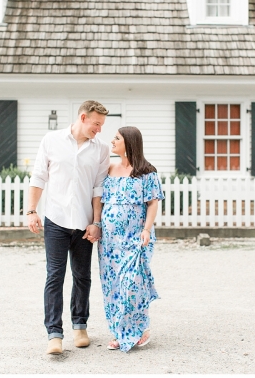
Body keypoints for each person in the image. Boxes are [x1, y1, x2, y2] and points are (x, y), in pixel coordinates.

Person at [26, 100, 110, 355]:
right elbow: (39, 176)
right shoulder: (51, 140)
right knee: (55, 276)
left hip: (84, 224)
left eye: (102, 125)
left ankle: (80, 326)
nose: (99, 129)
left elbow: (98, 190)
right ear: (83, 118)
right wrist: (31, 210)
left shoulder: (101, 149)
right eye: (96, 124)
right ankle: (54, 333)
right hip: (56, 220)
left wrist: (95, 222)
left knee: (82, 276)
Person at [98, 126, 164, 352]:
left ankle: (140, 329)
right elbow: (98, 198)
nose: (112, 141)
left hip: (135, 238)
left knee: (133, 284)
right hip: (109, 242)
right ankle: (119, 332)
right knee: (113, 286)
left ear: (130, 142)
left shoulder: (147, 171)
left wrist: (146, 229)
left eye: (117, 138)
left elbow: (153, 202)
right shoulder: (108, 168)